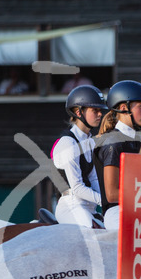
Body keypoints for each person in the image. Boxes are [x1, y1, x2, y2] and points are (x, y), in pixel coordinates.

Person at [95, 80, 141, 229]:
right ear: (124, 108)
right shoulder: (113, 142)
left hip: (139, 207)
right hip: (117, 211)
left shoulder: (139, 140)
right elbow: (111, 194)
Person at [53, 85, 105, 228]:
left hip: (90, 207)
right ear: (78, 112)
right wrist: (104, 200)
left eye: (100, 111)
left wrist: (110, 204)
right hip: (71, 207)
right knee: (92, 233)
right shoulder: (68, 143)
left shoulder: (89, 142)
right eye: (95, 110)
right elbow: (77, 188)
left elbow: (94, 179)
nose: (100, 114)